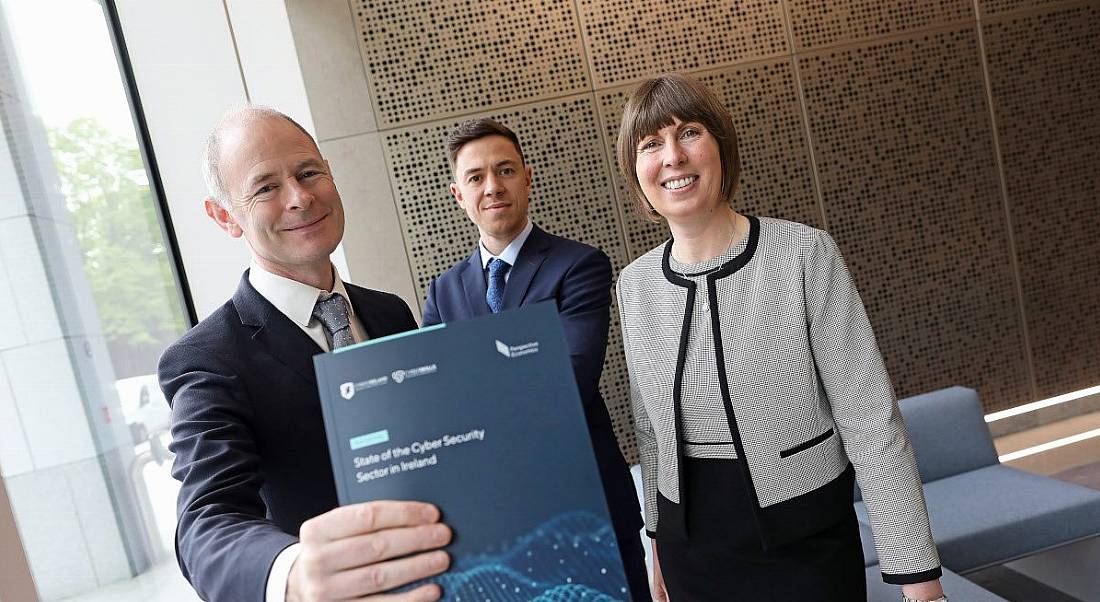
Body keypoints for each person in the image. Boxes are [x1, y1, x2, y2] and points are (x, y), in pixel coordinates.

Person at [614, 74, 948, 601]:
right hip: (692, 555)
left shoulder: (803, 256)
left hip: (804, 544)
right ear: (637, 173)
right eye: (650, 144)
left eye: (690, 132)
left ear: (721, 146)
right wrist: (655, 541)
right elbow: (651, 434)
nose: (672, 156)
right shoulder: (634, 285)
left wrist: (919, 580)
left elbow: (870, 420)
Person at [159, 106, 453, 602]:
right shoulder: (207, 357)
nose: (299, 197)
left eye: (308, 172)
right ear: (225, 216)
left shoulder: (390, 313)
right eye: (266, 187)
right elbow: (206, 524)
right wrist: (292, 574)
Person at [421, 118, 650, 600]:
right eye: (476, 177)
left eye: (504, 170)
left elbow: (569, 381)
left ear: (527, 178)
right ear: (458, 195)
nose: (492, 186)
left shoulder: (579, 266)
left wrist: (472, 393)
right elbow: (434, 401)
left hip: (587, 507)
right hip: (496, 524)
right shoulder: (444, 292)